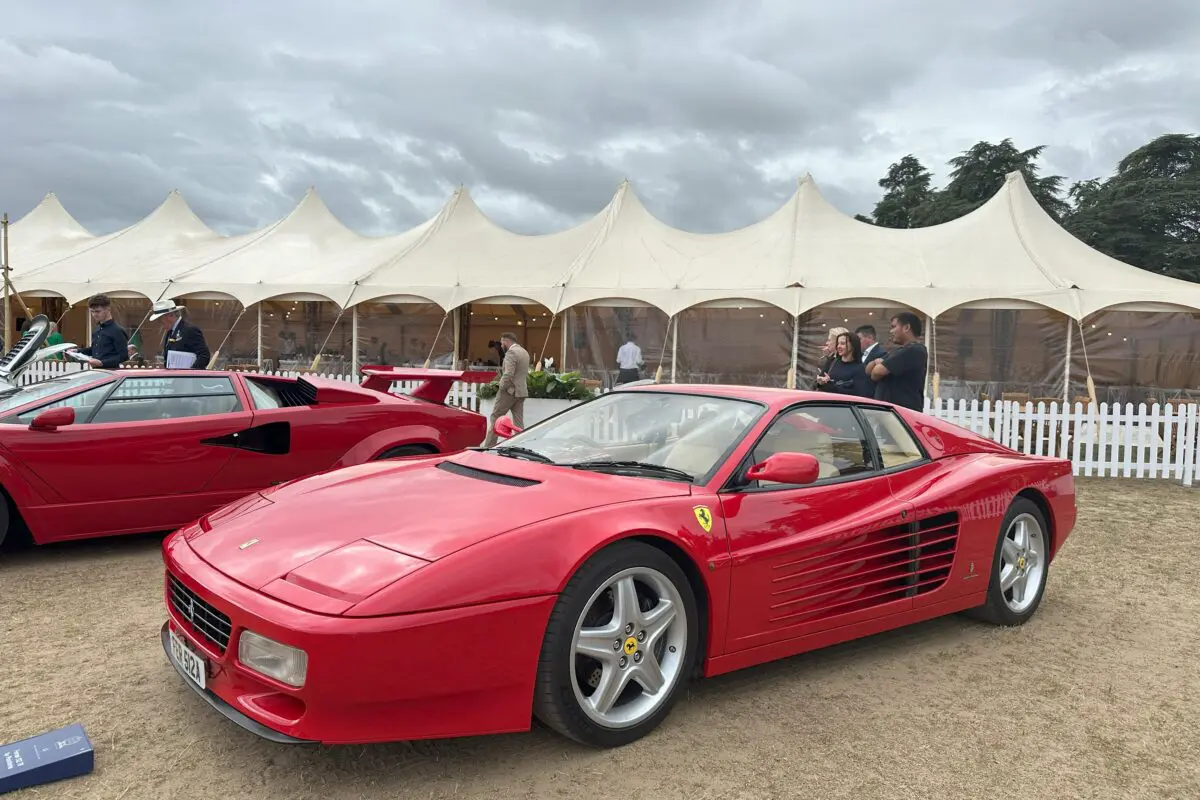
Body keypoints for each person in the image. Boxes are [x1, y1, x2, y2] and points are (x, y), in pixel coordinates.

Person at [867, 312, 928, 411]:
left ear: (906, 327)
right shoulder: (898, 352)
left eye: (894, 327)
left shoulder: (913, 350)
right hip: (889, 412)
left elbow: (876, 373)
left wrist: (879, 366)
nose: (891, 331)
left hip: (901, 412)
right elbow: (869, 370)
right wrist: (875, 362)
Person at [481, 332, 530, 448]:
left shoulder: (511, 353)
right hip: (521, 392)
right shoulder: (524, 352)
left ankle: (488, 447)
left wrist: (500, 387)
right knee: (518, 423)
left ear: (506, 341)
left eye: (502, 342)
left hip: (508, 392)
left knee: (496, 418)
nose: (501, 345)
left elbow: (508, 374)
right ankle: (521, 446)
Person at [149, 300, 211, 369]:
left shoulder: (190, 330)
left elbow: (204, 355)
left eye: (161, 321)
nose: (161, 325)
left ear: (169, 315)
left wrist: (190, 373)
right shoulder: (170, 333)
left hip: (188, 377)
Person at [72, 294, 129, 369]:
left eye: (98, 311)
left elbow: (123, 356)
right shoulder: (97, 329)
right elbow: (95, 349)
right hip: (98, 373)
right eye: (92, 312)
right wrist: (77, 351)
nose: (94, 314)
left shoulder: (117, 331)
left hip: (112, 374)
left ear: (108, 309)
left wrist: (102, 363)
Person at [816, 331, 873, 397]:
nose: (838, 346)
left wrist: (832, 387)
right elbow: (819, 386)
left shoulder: (860, 368)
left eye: (842, 343)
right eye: (838, 343)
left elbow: (859, 394)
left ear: (853, 345)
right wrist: (821, 382)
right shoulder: (832, 362)